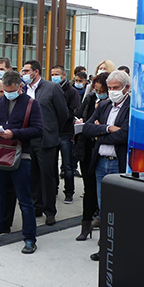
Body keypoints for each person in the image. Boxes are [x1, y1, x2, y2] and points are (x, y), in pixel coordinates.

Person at [0, 71, 44, 254]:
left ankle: (29, 238)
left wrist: (14, 133)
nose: (8, 94)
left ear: (20, 87)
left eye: (11, 90)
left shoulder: (32, 104)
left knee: (25, 200)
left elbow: (38, 130)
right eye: (5, 91)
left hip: (21, 157)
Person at [83, 70, 130, 261]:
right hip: (101, 163)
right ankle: (105, 247)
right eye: (110, 88)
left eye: (115, 88)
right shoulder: (103, 106)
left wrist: (99, 133)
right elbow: (87, 128)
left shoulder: (132, 108)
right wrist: (107, 128)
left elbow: (125, 134)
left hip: (119, 163)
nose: (112, 92)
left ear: (126, 88)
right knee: (104, 208)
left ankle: (121, 248)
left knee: (121, 208)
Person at [21, 60, 68, 225]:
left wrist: (52, 129)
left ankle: (50, 211)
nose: (23, 73)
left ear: (36, 72)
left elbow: (63, 113)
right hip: (28, 138)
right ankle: (36, 206)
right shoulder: (23, 89)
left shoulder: (52, 88)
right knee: (31, 174)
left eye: (26, 71)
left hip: (46, 139)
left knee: (47, 175)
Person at [74, 72, 108, 241]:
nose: (98, 93)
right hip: (86, 148)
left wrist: (98, 128)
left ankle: (102, 225)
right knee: (89, 190)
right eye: (96, 89)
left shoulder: (112, 105)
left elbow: (109, 129)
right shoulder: (89, 99)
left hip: (102, 151)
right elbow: (86, 122)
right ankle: (85, 225)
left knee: (104, 193)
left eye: (101, 90)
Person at [51, 64, 81, 204]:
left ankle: (69, 192)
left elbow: (74, 111)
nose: (54, 77)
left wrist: (59, 116)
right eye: (52, 74)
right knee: (51, 163)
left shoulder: (71, 91)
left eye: (57, 74)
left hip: (66, 132)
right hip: (52, 131)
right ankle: (54, 189)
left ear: (64, 75)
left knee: (67, 165)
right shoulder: (51, 89)